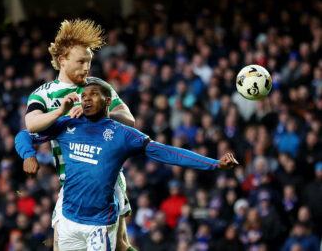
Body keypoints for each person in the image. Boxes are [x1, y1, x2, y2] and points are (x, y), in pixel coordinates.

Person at [15, 82, 239, 251]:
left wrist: (214, 164)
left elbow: (168, 152)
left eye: (93, 94)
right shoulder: (68, 125)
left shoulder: (124, 135)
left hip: (99, 224)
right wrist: (28, 155)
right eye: (83, 96)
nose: (86, 99)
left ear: (107, 100)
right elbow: (24, 136)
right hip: (68, 218)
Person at [23, 19, 135, 251]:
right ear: (62, 60)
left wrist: (92, 116)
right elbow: (32, 124)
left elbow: (128, 118)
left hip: (104, 179)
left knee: (119, 245)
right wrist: (61, 112)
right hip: (70, 181)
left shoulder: (97, 87)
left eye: (89, 62)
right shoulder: (42, 95)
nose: (87, 68)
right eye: (81, 61)